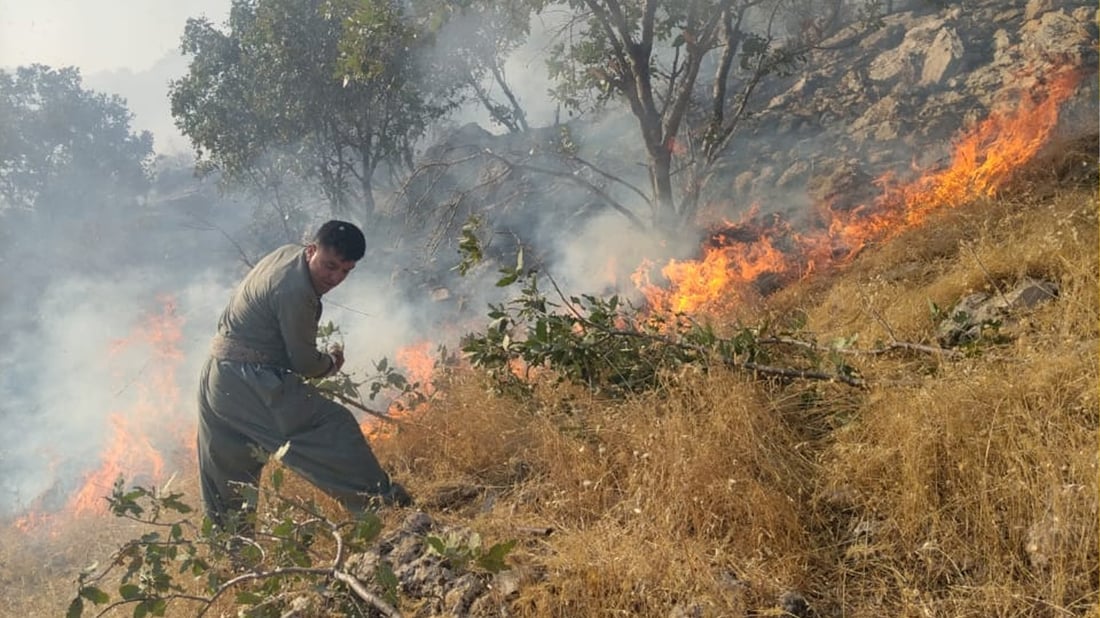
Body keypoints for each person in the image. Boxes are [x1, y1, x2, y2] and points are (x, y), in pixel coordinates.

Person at [197, 220, 410, 532]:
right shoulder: (296, 290)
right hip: (249, 382)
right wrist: (331, 363)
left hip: (217, 376)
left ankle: (230, 560)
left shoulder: (287, 255)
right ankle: (384, 508)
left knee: (228, 476)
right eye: (329, 266)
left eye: (345, 271)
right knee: (333, 426)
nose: (335, 278)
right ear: (311, 250)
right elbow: (305, 363)